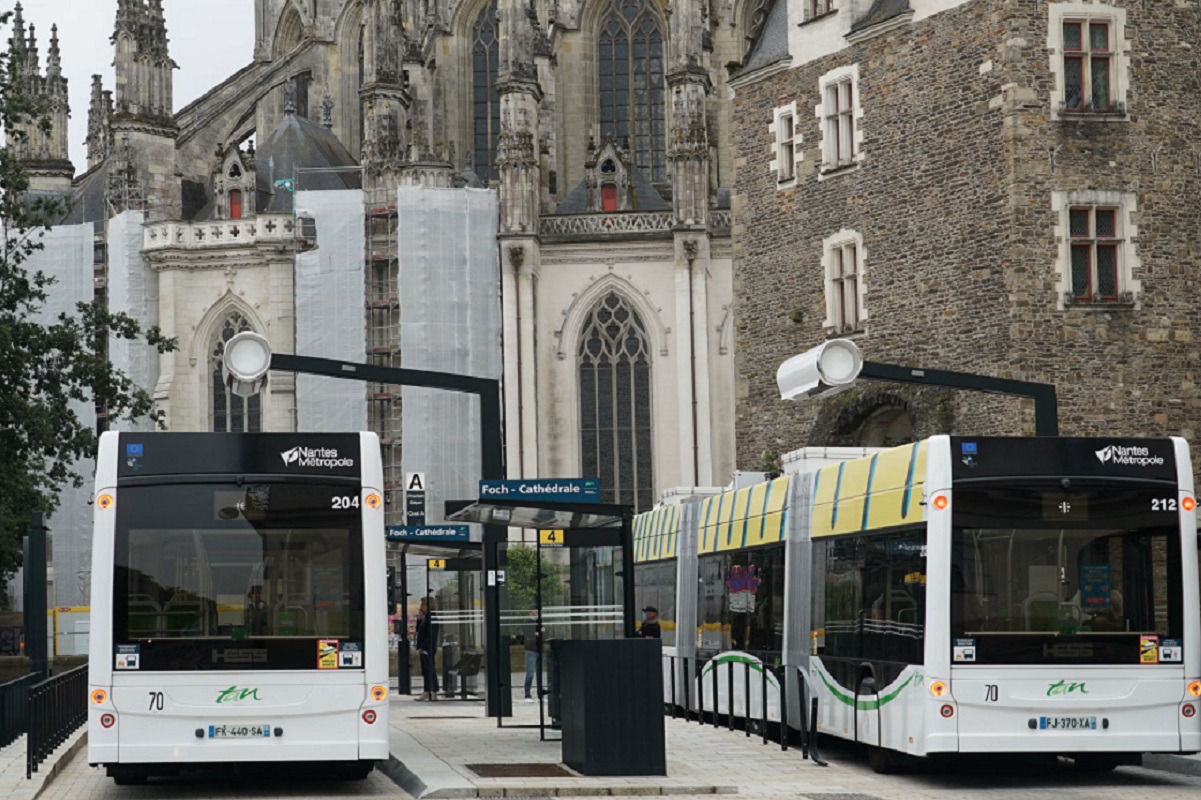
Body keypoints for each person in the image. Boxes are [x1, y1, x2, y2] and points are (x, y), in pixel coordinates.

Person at [415, 598, 439, 700]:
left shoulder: (432, 618)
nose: (421, 607)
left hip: (428, 648)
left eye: (423, 605)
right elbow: (419, 630)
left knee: (430, 669)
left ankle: (433, 691)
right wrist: (419, 619)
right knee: (425, 670)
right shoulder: (425, 618)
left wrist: (423, 647)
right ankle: (427, 690)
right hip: (423, 647)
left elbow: (430, 636)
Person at [522, 608, 542, 703]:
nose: (537, 613)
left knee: (539, 674)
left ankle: (540, 695)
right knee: (530, 673)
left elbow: (545, 633)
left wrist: (538, 634)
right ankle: (527, 694)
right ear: (530, 612)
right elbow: (530, 635)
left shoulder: (540, 621)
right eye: (535, 611)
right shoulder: (527, 622)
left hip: (539, 649)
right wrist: (537, 633)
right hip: (530, 650)